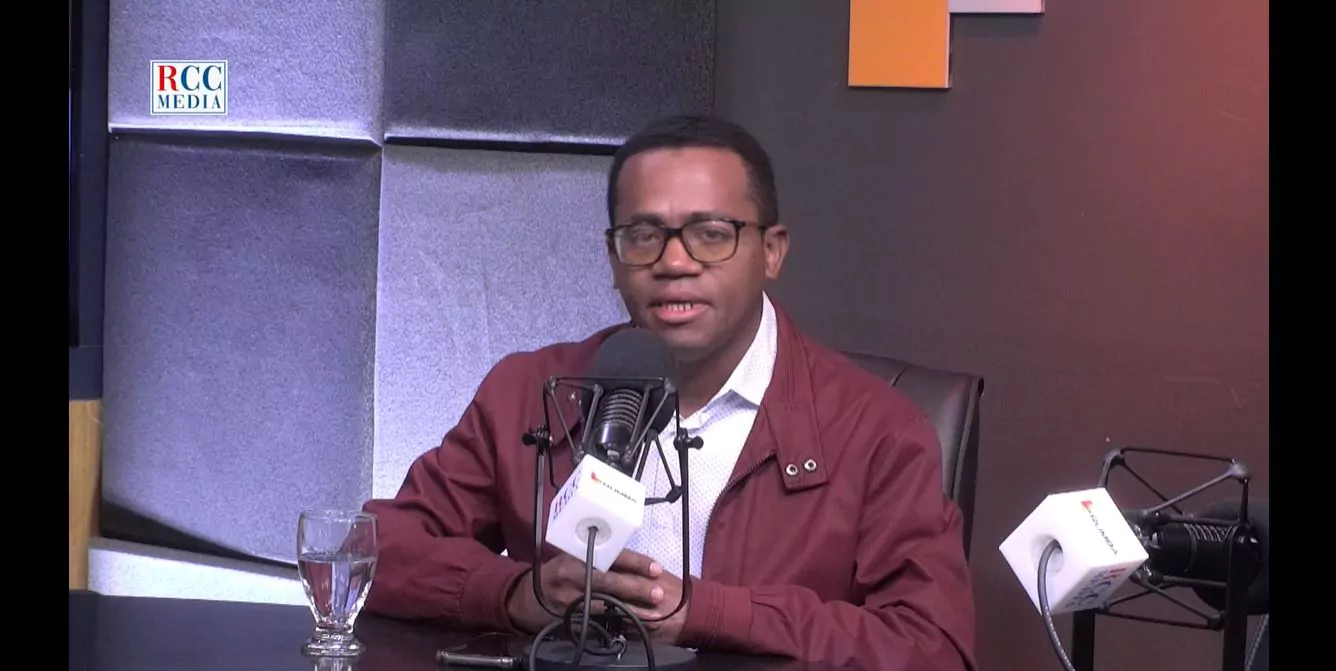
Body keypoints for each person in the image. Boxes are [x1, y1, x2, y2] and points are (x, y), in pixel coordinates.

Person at [361, 113, 978, 670]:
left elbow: (934, 647)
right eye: (643, 235)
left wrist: (709, 614)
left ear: (771, 252)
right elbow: (373, 553)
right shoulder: (527, 390)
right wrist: (514, 593)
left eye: (711, 233)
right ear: (613, 258)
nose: (674, 262)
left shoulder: (877, 429)